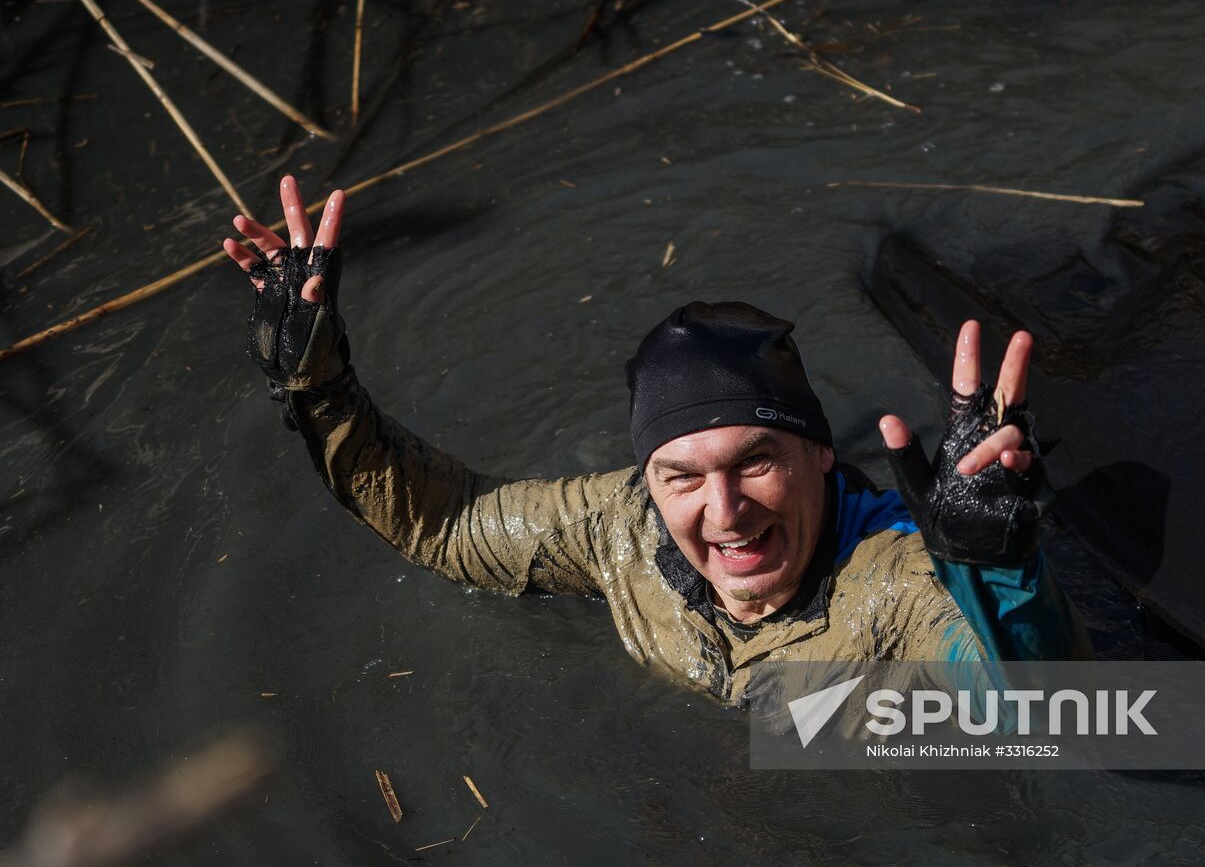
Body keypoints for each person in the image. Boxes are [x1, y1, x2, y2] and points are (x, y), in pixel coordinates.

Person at [221, 177, 1092, 707]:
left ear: (821, 453)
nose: (725, 513)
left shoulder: (892, 582)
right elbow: (445, 526)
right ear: (647, 478)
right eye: (681, 476)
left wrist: (997, 568)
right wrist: (318, 386)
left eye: (756, 461)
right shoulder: (618, 529)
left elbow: (1051, 721)